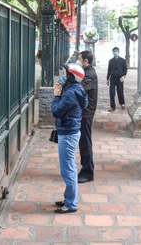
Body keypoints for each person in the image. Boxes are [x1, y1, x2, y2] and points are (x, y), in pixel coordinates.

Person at [51, 63, 88, 214]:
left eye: (66, 73)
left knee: (68, 169)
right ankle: (68, 199)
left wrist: (56, 95)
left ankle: (71, 204)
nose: (63, 75)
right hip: (70, 131)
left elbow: (56, 112)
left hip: (67, 134)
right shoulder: (76, 90)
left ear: (71, 77)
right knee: (68, 168)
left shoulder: (70, 94)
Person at [76, 51, 97, 183]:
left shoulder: (90, 74)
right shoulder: (86, 72)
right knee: (82, 142)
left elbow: (79, 89)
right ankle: (85, 169)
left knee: (85, 142)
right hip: (83, 112)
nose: (77, 62)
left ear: (86, 61)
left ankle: (88, 172)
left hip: (86, 113)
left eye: (79, 60)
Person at [106, 47, 127, 111]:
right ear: (112, 52)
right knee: (112, 92)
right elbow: (109, 70)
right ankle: (112, 106)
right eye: (114, 51)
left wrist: (124, 76)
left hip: (120, 78)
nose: (115, 52)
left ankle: (122, 103)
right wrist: (107, 79)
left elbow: (125, 69)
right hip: (113, 78)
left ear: (118, 52)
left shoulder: (122, 60)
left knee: (120, 91)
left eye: (116, 51)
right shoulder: (111, 61)